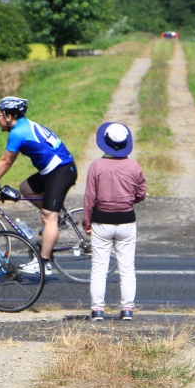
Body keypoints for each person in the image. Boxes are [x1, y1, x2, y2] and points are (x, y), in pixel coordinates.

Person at [0, 96, 77, 276]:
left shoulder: (17, 132)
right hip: (55, 169)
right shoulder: (25, 125)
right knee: (26, 189)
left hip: (60, 171)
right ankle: (57, 217)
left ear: (9, 116)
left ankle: (44, 263)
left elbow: (5, 162)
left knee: (48, 217)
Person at [83, 122, 147, 321]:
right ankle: (127, 309)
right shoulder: (134, 166)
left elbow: (89, 197)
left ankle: (97, 310)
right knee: (127, 267)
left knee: (99, 268)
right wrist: (129, 200)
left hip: (101, 220)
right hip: (127, 220)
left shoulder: (96, 166)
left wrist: (87, 221)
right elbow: (141, 193)